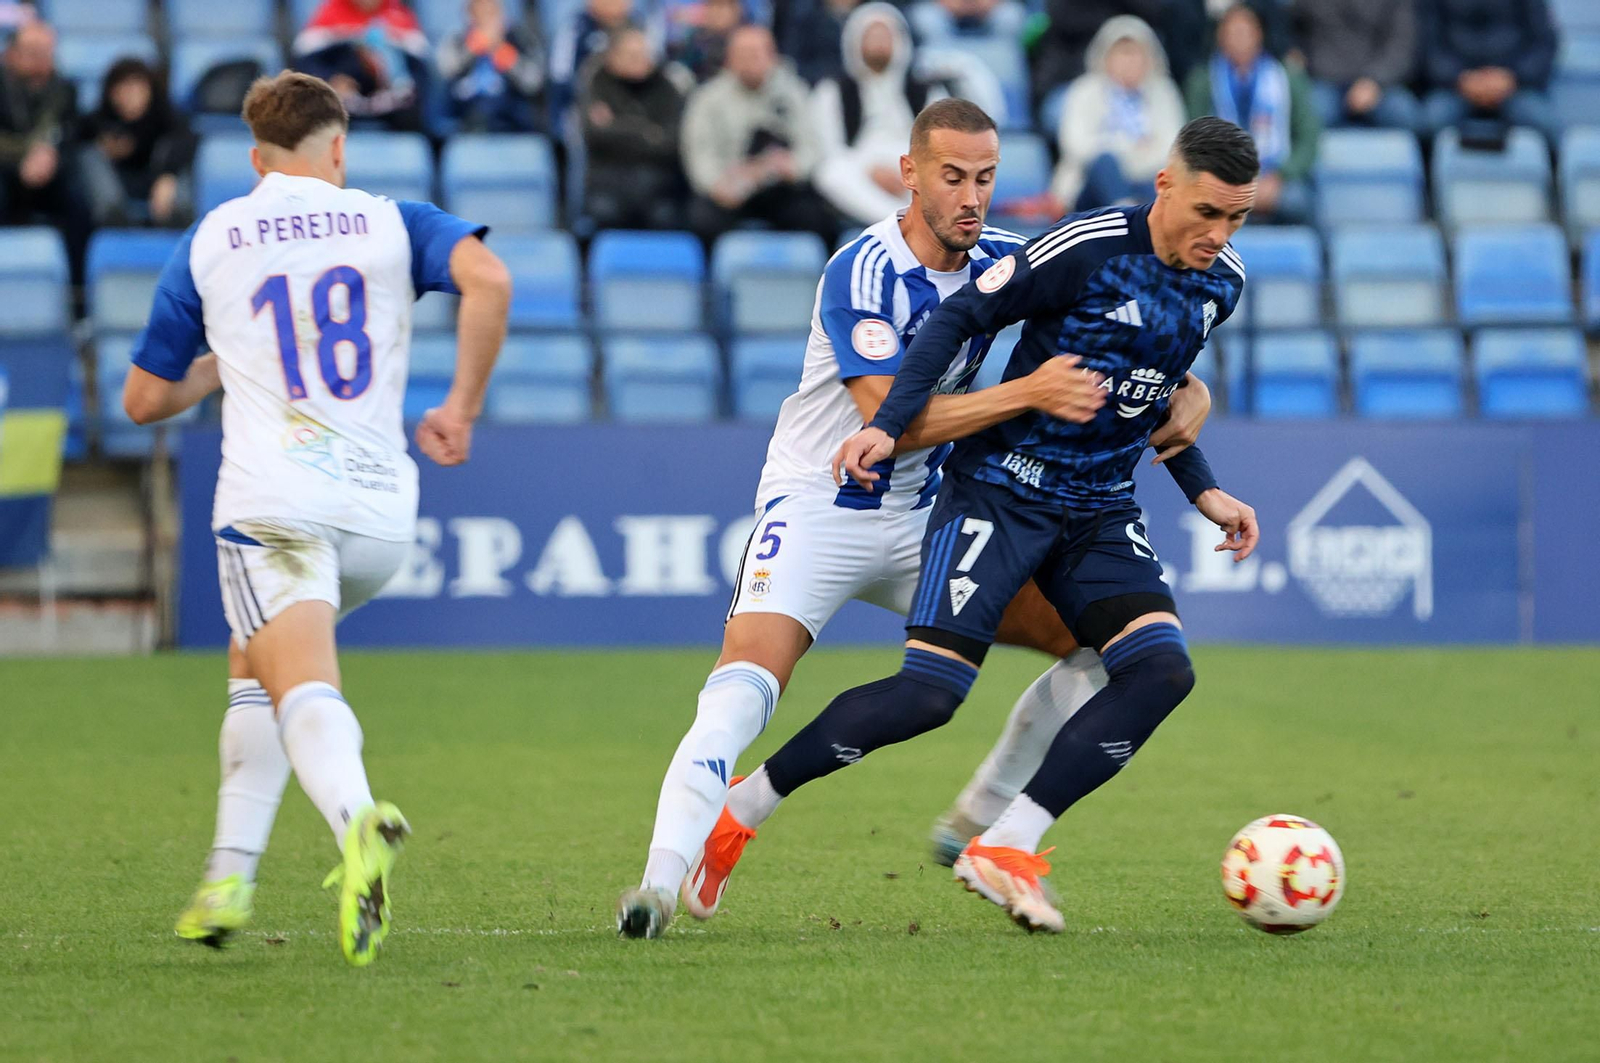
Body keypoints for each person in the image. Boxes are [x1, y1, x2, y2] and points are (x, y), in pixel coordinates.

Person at [614, 98, 1219, 939]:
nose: (972, 197)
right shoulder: (861, 268)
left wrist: (1191, 388)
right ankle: (658, 880)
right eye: (952, 177)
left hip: (930, 511)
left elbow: (1132, 341)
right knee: (743, 693)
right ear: (909, 173)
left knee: (1095, 650)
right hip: (822, 503)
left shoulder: (1011, 256)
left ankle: (983, 813)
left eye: (985, 178)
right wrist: (1027, 393)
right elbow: (890, 417)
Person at [123, 72, 511, 966]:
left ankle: (356, 817)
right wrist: (461, 406)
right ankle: (225, 879)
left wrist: (224, 364)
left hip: (276, 506)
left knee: (297, 680)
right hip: (378, 517)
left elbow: (143, 399)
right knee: (255, 665)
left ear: (255, 157)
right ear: (338, 148)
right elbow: (489, 279)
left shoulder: (214, 237)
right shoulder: (389, 219)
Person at [680, 24, 838, 245]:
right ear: (729, 59)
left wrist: (794, 167)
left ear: (772, 57)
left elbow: (812, 147)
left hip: (780, 185)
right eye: (742, 55)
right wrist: (718, 185)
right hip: (729, 186)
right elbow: (698, 153)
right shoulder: (707, 98)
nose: (749, 62)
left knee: (816, 217)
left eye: (756, 54)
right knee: (701, 220)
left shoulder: (794, 92)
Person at [811, 3, 943, 225]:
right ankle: (901, 224)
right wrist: (870, 170)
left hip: (911, 168)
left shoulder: (926, 89)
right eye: (871, 36)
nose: (879, 43)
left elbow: (939, 146)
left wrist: (907, 173)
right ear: (854, 41)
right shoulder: (832, 91)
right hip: (861, 168)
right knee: (830, 173)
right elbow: (830, 149)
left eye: (885, 36)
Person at [1184, 4, 1317, 223]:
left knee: (1297, 201)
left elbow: (1308, 139)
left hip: (1276, 175)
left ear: (1259, 34)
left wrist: (1280, 175)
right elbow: (1192, 141)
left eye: (1245, 31)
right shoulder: (1203, 81)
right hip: (1221, 178)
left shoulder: (1286, 77)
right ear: (1220, 37)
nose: (1239, 38)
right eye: (1232, 32)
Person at [1052, 15, 1185, 211]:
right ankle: (1124, 215)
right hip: (1089, 185)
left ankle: (1145, 223)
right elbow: (1076, 145)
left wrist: (1125, 158)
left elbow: (1171, 148)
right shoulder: (1084, 90)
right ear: (1105, 56)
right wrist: (1129, 146)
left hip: (1146, 180)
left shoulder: (1163, 91)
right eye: (1122, 53)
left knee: (1159, 182)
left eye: (1135, 54)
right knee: (1105, 162)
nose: (1129, 61)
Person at [0, 18, 89, 283]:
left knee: (79, 201)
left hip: (50, 173)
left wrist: (50, 157)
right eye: (32, 52)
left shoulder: (65, 89)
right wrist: (21, 162)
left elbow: (71, 135)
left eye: (46, 52)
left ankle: (76, 289)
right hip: (4, 172)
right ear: (11, 54)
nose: (40, 60)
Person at [581, 26, 688, 229]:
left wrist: (618, 126)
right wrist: (647, 131)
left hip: (659, 188)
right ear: (612, 57)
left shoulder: (667, 88)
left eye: (643, 54)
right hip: (608, 187)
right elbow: (595, 135)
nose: (638, 60)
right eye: (630, 55)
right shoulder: (596, 84)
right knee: (602, 213)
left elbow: (672, 143)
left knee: (671, 218)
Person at [1417, 0, 1559, 143]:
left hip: (1515, 87)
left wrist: (1513, 77)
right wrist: (1460, 79)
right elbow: (1429, 46)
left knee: (1544, 126)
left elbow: (1544, 43)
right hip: (1453, 87)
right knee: (1431, 123)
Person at [79, 57, 196, 227]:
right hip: (114, 191)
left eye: (136, 87)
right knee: (88, 155)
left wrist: (167, 175)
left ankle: (178, 229)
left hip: (156, 185)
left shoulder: (167, 117)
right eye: (122, 88)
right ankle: (114, 223)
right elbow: (77, 137)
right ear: (111, 93)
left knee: (182, 179)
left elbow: (186, 141)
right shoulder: (97, 122)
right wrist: (103, 147)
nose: (129, 95)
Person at [293, 0, 431, 131]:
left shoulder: (398, 16)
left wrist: (397, 89)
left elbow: (419, 70)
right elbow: (307, 62)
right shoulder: (330, 15)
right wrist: (330, 81)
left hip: (392, 105)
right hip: (342, 104)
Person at [1291, 0, 1422, 134]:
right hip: (1325, 79)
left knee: (1402, 114)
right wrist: (1294, 51)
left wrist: (1373, 80)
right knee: (1308, 115)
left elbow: (1401, 46)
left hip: (1380, 83)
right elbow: (1292, 28)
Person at [437, 0, 546, 132]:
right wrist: (471, 50)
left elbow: (534, 83)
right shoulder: (457, 39)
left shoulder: (519, 39)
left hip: (511, 122)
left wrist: (510, 60)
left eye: (492, 13)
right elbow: (445, 71)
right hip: (464, 121)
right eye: (481, 14)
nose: (488, 21)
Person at [670, 0, 746, 82]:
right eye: (712, 6)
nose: (717, 12)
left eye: (722, 7)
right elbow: (682, 67)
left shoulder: (746, 40)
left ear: (736, 11)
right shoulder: (695, 39)